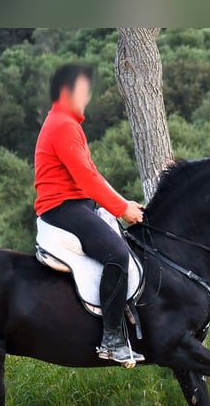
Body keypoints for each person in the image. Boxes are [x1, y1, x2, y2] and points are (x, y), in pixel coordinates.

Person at [34, 64, 145, 366]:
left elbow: (91, 174)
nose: (87, 97)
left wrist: (123, 202)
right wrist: (122, 209)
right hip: (63, 208)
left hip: (76, 205)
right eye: (84, 92)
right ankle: (111, 340)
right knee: (116, 255)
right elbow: (86, 178)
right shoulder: (63, 125)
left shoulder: (65, 123)